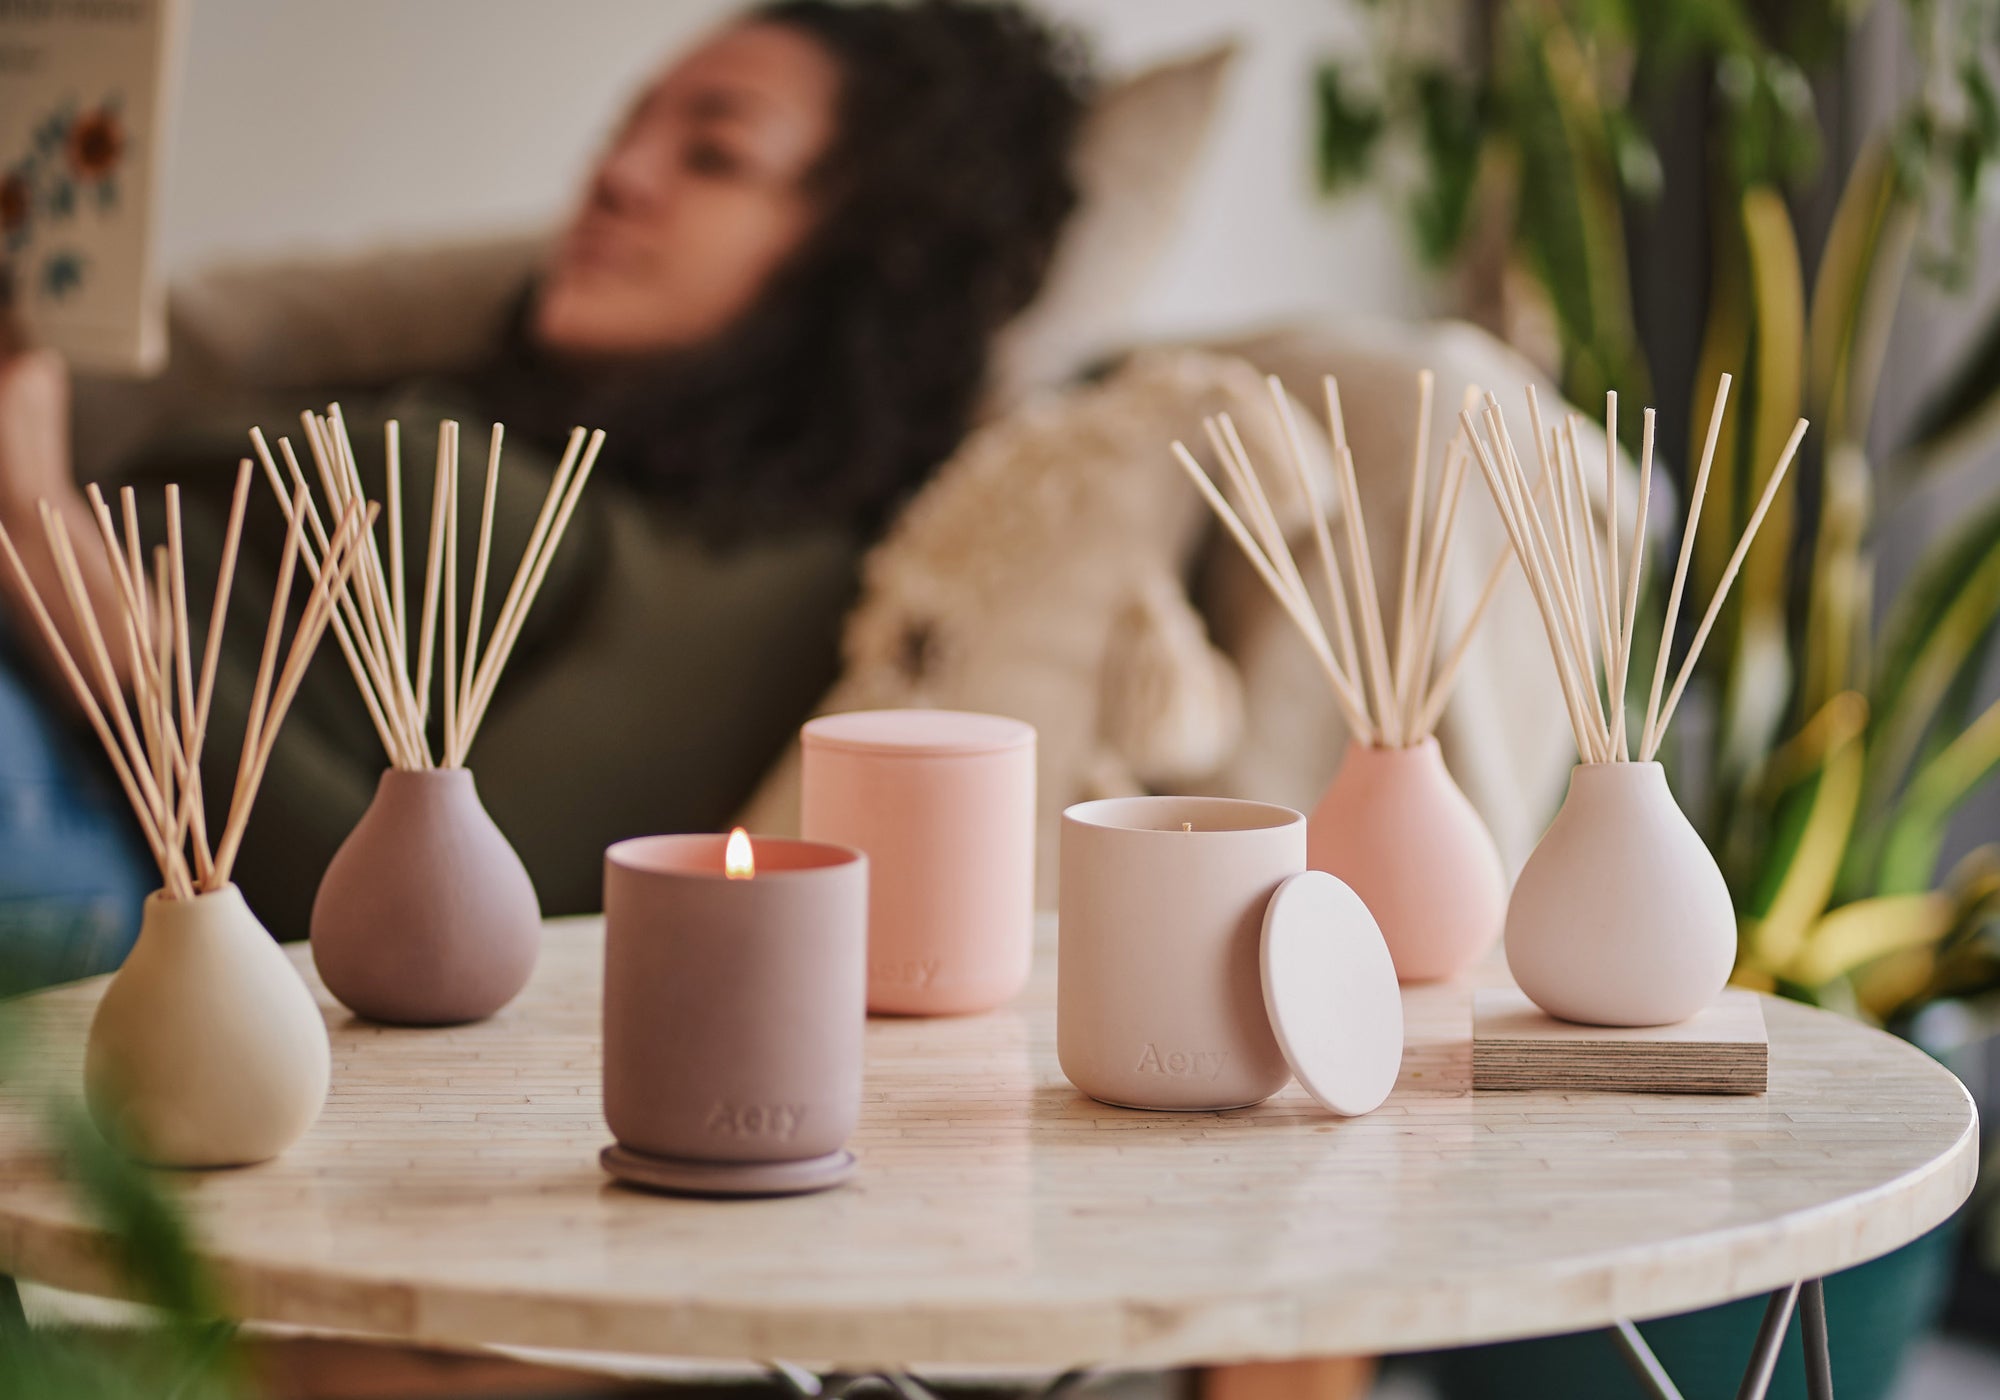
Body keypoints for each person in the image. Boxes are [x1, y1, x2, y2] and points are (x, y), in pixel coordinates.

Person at [0, 0, 1091, 961]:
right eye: (627, 130)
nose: (614, 176)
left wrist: (40, 529)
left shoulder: (762, 559)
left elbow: (435, 922)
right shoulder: (478, 400)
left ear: (863, 249)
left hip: (84, 801)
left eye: (711, 154)